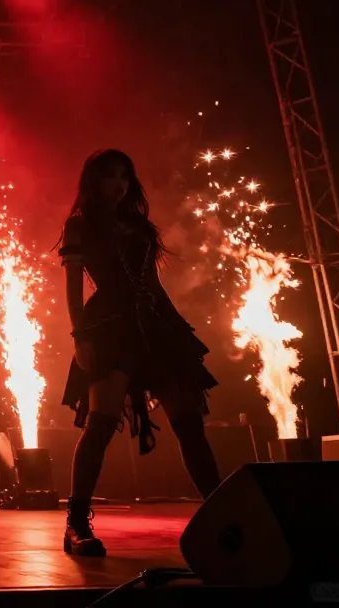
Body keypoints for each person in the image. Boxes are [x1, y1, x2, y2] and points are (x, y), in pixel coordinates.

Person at [58, 149, 221, 557]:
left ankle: (222, 512)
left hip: (156, 324)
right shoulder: (80, 225)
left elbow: (152, 281)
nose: (119, 184)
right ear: (94, 181)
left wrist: (175, 326)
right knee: (101, 423)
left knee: (189, 423)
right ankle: (76, 523)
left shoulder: (139, 226)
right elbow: (73, 287)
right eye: (110, 176)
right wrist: (80, 335)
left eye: (124, 176)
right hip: (110, 327)